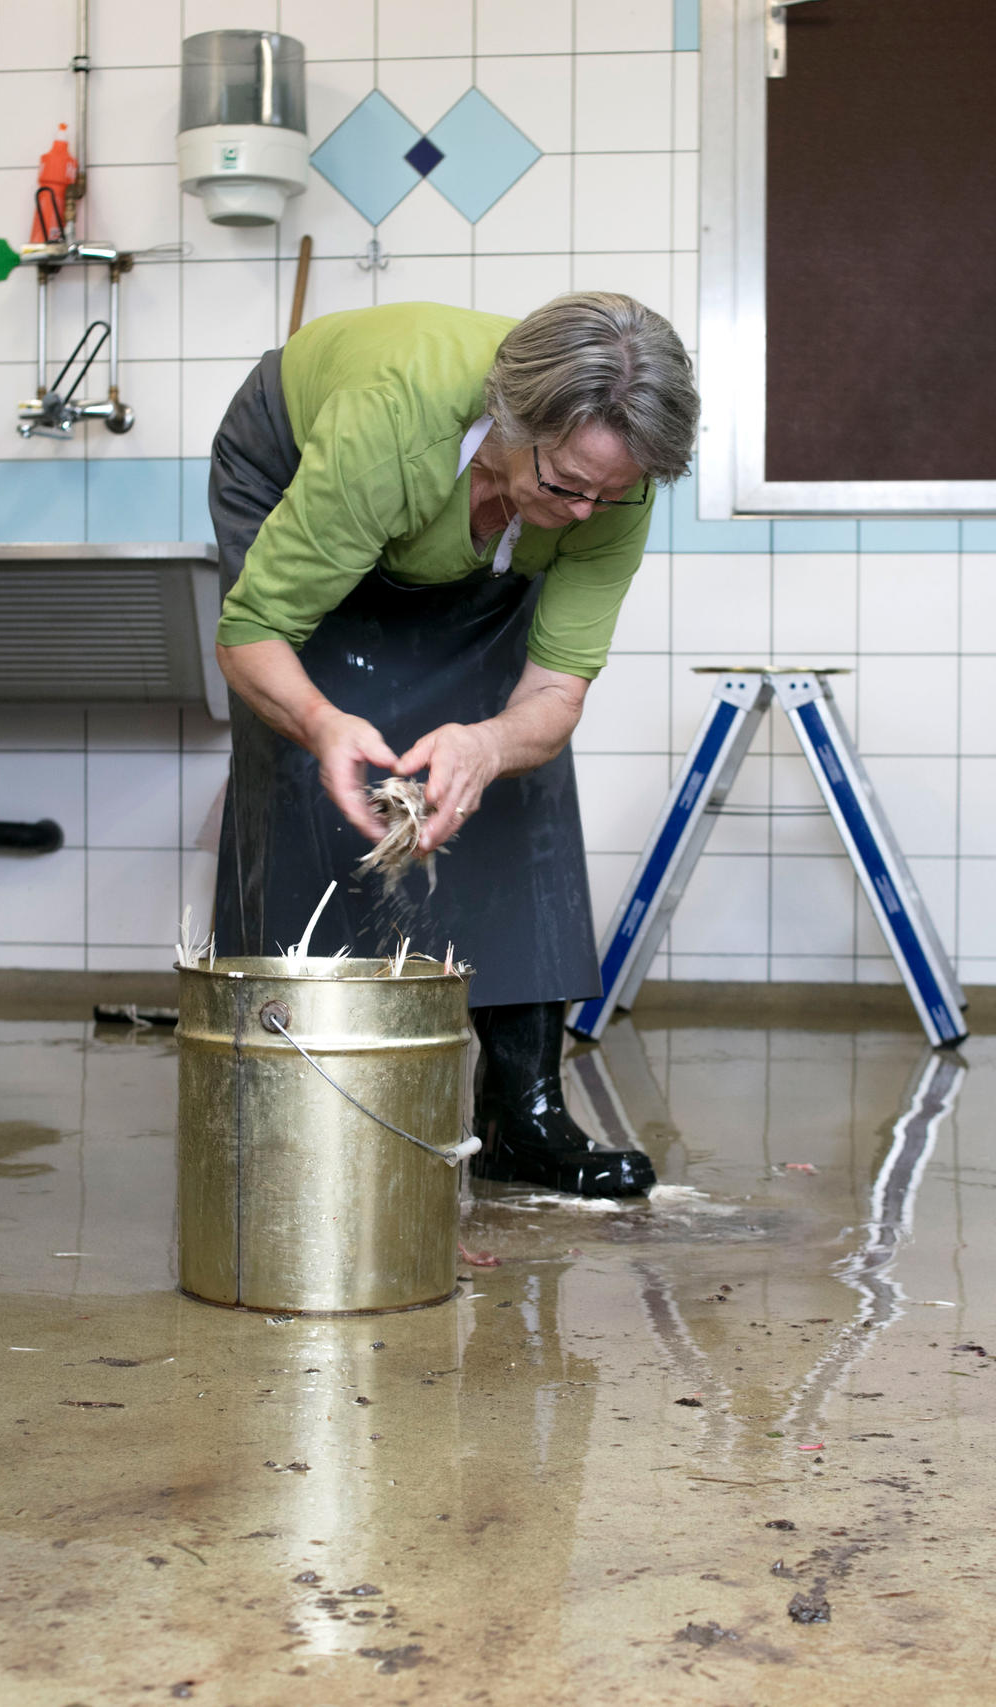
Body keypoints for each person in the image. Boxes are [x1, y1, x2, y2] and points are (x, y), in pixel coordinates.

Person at [208, 294, 698, 1198]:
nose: (590, 513)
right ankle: (297, 1114)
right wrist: (323, 721)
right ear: (508, 422)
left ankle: (525, 1113)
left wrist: (488, 742)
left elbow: (552, 694)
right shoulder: (386, 432)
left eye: (612, 493)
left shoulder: (609, 481)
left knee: (507, 767)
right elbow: (251, 635)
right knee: (316, 763)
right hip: (301, 469)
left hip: (453, 492)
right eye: (566, 487)